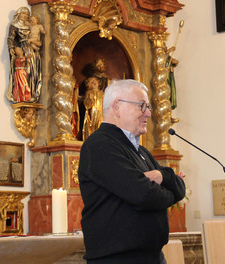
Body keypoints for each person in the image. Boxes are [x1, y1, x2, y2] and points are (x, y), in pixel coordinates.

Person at [78, 79, 186, 263]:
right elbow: (143, 195)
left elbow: (180, 189)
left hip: (152, 256)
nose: (149, 114)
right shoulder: (100, 145)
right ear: (117, 107)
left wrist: (161, 176)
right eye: (142, 106)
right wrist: (167, 193)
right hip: (118, 258)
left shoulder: (141, 152)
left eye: (148, 107)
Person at [6, 7, 42, 103]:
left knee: (32, 72)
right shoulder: (14, 25)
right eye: (23, 14)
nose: (25, 16)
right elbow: (11, 38)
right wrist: (11, 48)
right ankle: (23, 95)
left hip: (31, 48)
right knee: (24, 72)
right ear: (19, 14)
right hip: (22, 48)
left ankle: (32, 93)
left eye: (26, 15)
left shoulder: (29, 25)